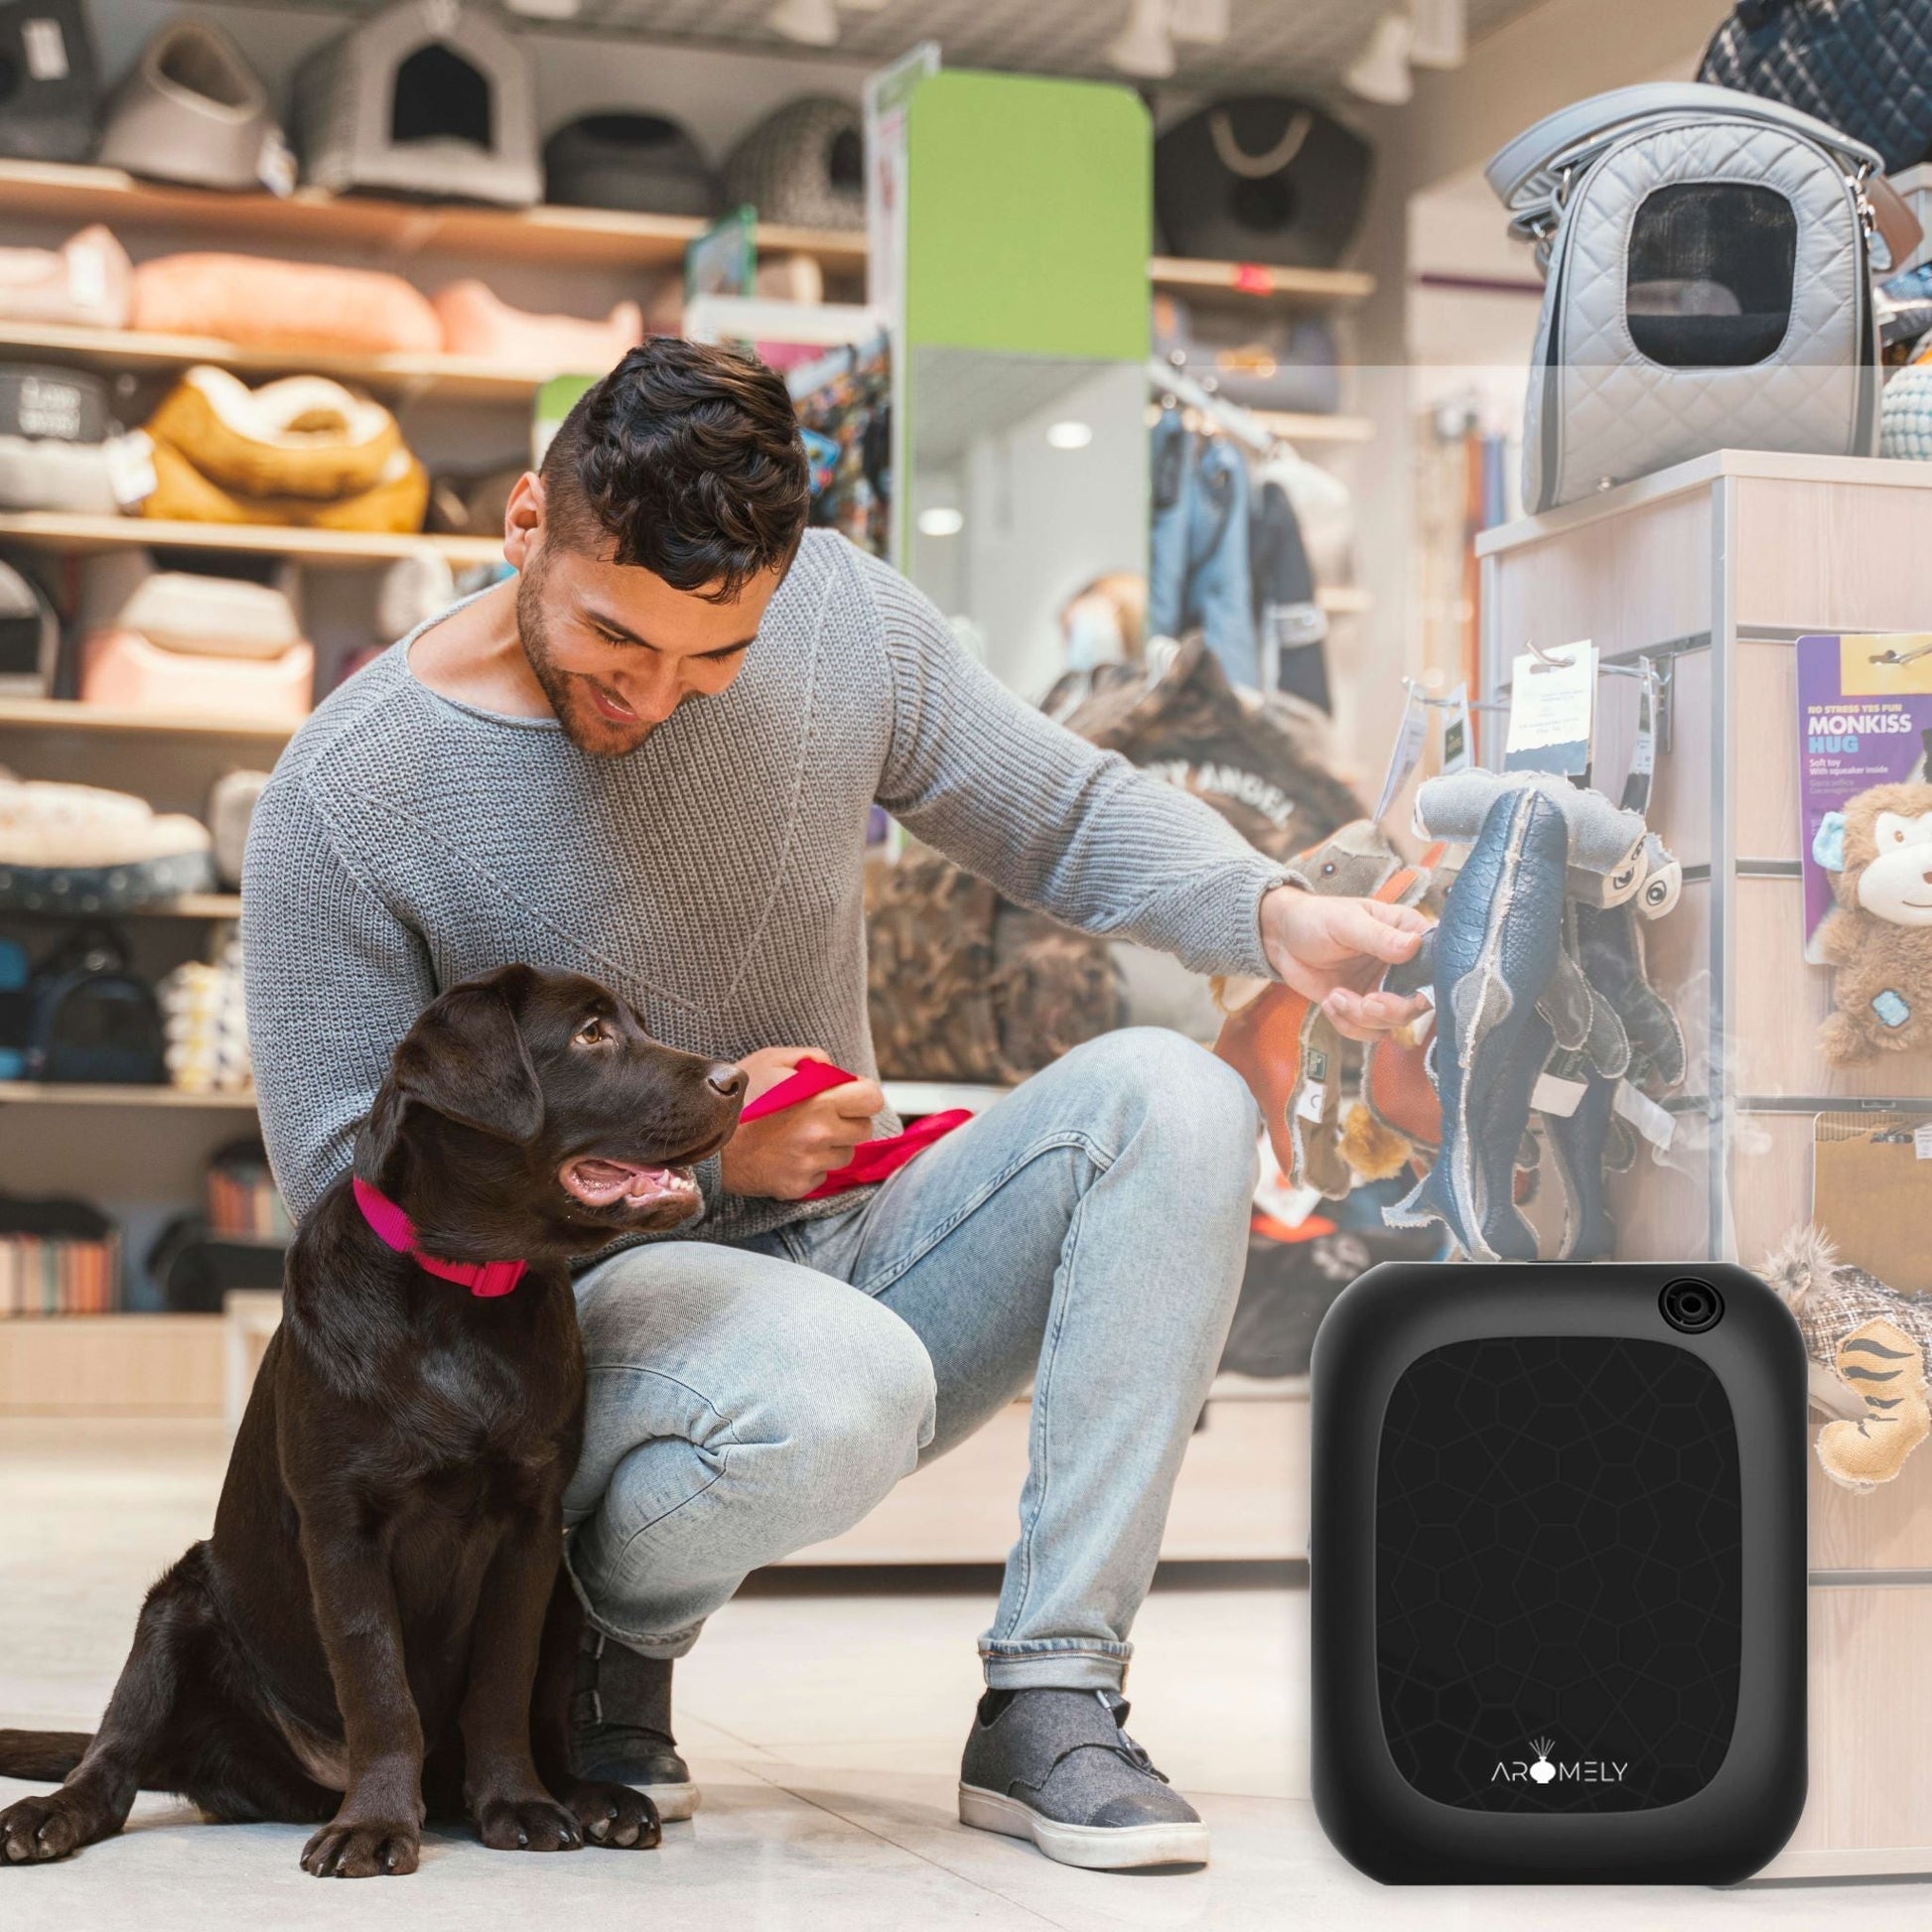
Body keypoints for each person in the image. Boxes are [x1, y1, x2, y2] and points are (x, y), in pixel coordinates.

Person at [241, 339, 1427, 1872]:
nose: (656, 695)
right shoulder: (349, 794)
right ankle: (603, 1649)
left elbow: (1058, 810)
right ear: (526, 522)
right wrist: (697, 1154)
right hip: (561, 1321)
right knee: (839, 1381)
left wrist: (1274, 917)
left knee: (1175, 1102)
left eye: (712, 658)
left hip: (851, 1234)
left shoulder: (847, 619)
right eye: (616, 637)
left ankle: (1052, 1695)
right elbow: (351, 1195)